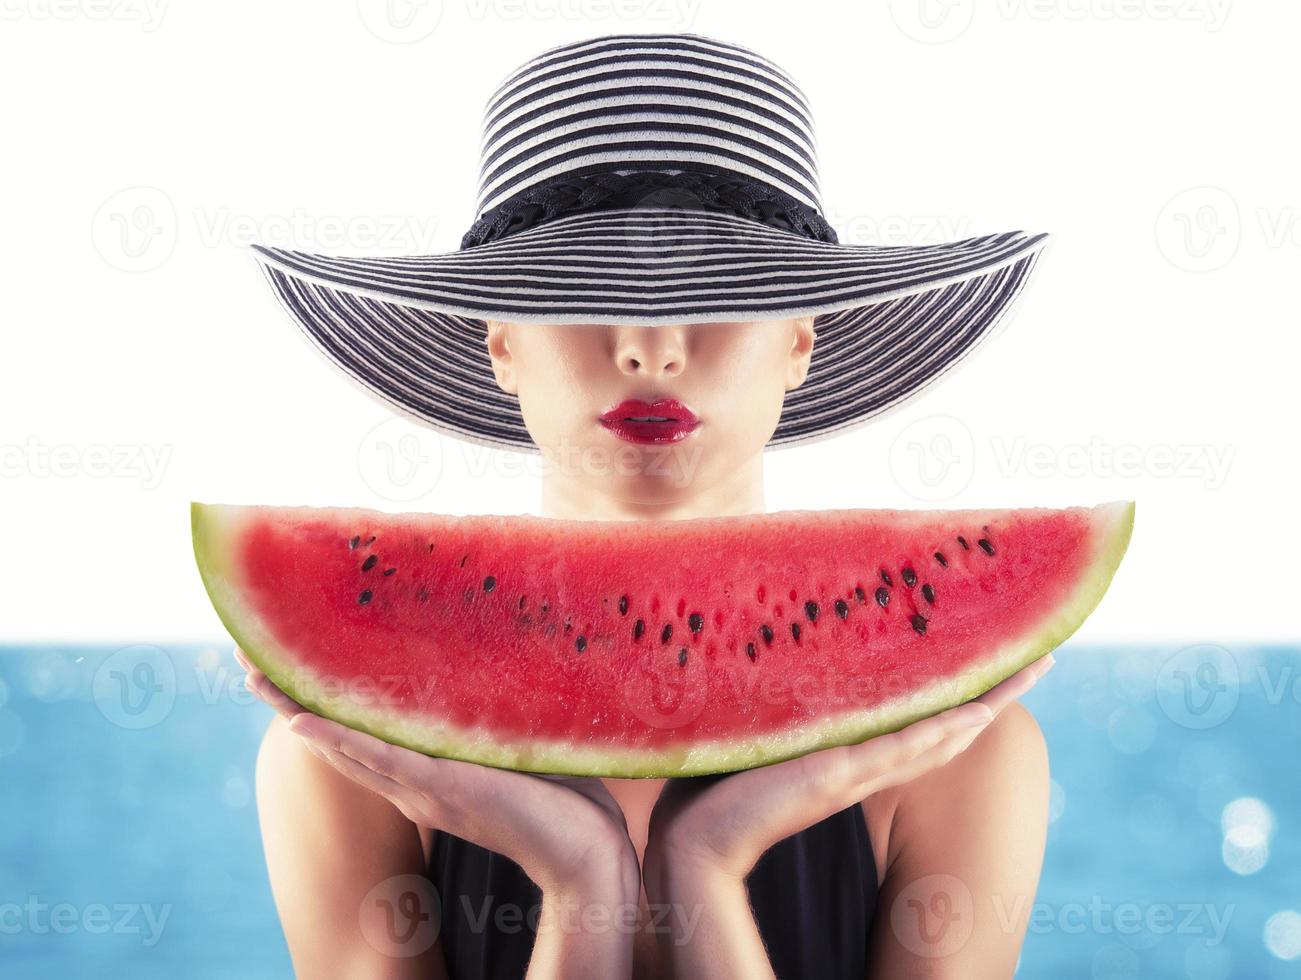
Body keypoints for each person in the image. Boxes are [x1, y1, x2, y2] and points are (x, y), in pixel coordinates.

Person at [237, 32, 1055, 979]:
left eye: (720, 286)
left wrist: (700, 868)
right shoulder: (347, 757)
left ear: (800, 339)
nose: (650, 347)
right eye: (583, 289)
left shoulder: (959, 757)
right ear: (500, 342)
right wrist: (581, 883)